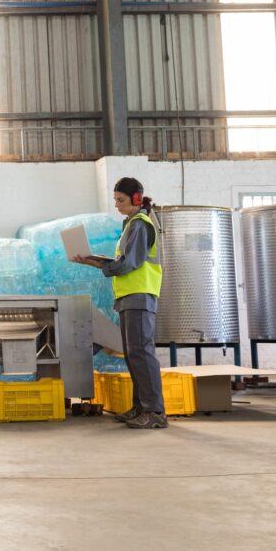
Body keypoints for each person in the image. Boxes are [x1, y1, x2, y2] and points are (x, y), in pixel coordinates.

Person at [73, 178, 166, 429]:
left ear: (136, 199)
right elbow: (125, 261)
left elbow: (129, 263)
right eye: (115, 200)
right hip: (129, 296)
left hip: (140, 295)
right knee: (134, 354)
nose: (117, 205)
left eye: (120, 200)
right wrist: (94, 261)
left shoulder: (140, 224)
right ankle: (140, 407)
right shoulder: (131, 225)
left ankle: (154, 412)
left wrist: (100, 264)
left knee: (142, 354)